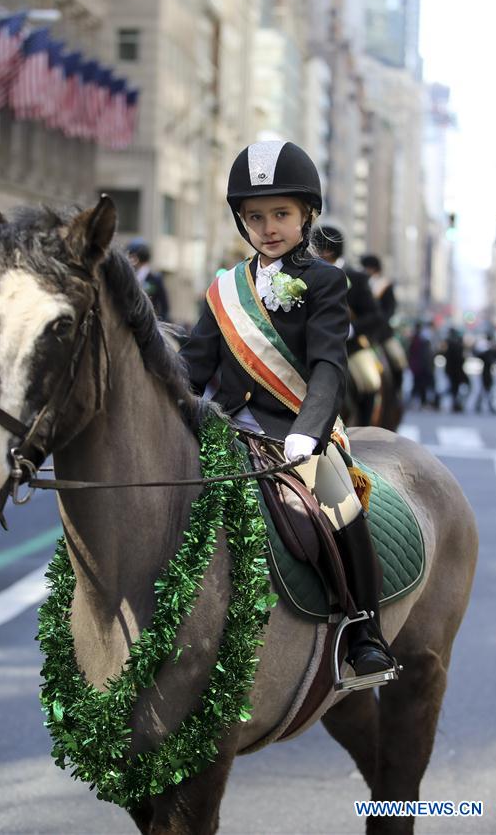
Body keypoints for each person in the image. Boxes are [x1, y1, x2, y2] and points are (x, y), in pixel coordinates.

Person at [180, 140, 396, 684]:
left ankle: (365, 633)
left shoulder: (326, 281)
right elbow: (192, 365)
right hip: (226, 430)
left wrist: (310, 431)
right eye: (256, 216)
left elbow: (328, 366)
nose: (269, 226)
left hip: (297, 434)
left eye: (281, 213)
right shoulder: (224, 289)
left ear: (307, 215)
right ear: (241, 221)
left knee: (339, 506)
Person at [314, 226, 384, 426]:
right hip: (312, 344)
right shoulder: (305, 273)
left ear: (327, 252)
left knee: (370, 382)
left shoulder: (357, 278)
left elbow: (375, 316)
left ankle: (364, 430)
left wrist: (350, 329)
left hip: (349, 347)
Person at [360, 253, 408, 387]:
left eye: (368, 267)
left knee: (397, 359)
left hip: (383, 334)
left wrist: (379, 322)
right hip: (364, 332)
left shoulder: (385, 285)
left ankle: (397, 391)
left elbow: (390, 309)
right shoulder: (361, 282)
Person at [126, 238, 170, 321]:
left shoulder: (155, 279)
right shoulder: (129, 277)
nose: (129, 259)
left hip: (149, 323)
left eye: (131, 256)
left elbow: (164, 305)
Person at [407, 322, 435, 409]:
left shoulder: (421, 339)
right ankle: (417, 401)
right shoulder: (418, 339)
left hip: (421, 367)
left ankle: (420, 402)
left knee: (420, 385)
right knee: (419, 385)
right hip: (420, 367)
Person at [443, 327, 467, 413]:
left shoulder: (450, 344)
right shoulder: (456, 345)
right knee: (454, 388)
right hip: (456, 371)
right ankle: (455, 403)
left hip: (452, 371)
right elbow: (460, 359)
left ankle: (455, 403)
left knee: (453, 388)